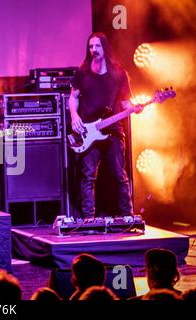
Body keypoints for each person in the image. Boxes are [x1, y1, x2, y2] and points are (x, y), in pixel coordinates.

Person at [69, 32, 135, 219]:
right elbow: (73, 98)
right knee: (88, 176)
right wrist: (74, 116)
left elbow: (125, 104)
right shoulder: (82, 73)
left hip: (113, 131)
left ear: (104, 48)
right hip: (89, 133)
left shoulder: (118, 74)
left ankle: (128, 216)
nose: (93, 50)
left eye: (97, 46)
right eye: (91, 47)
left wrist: (135, 109)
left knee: (119, 176)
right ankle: (89, 219)